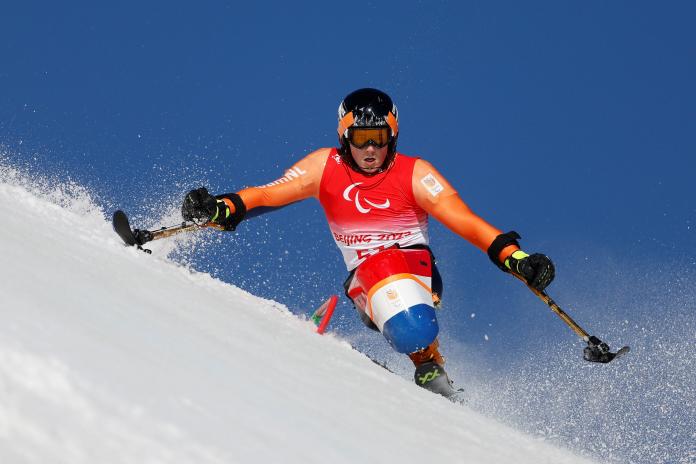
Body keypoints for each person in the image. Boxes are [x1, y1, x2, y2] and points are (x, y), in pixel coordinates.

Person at [181, 88, 554, 398]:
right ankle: (426, 360)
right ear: (345, 137)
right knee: (381, 283)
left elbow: (467, 222)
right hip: (363, 283)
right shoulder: (323, 167)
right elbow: (268, 195)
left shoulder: (414, 173)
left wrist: (517, 259)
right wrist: (223, 207)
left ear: (393, 137)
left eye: (380, 138)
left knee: (409, 319)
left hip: (415, 272)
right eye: (362, 139)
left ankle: (428, 365)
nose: (371, 148)